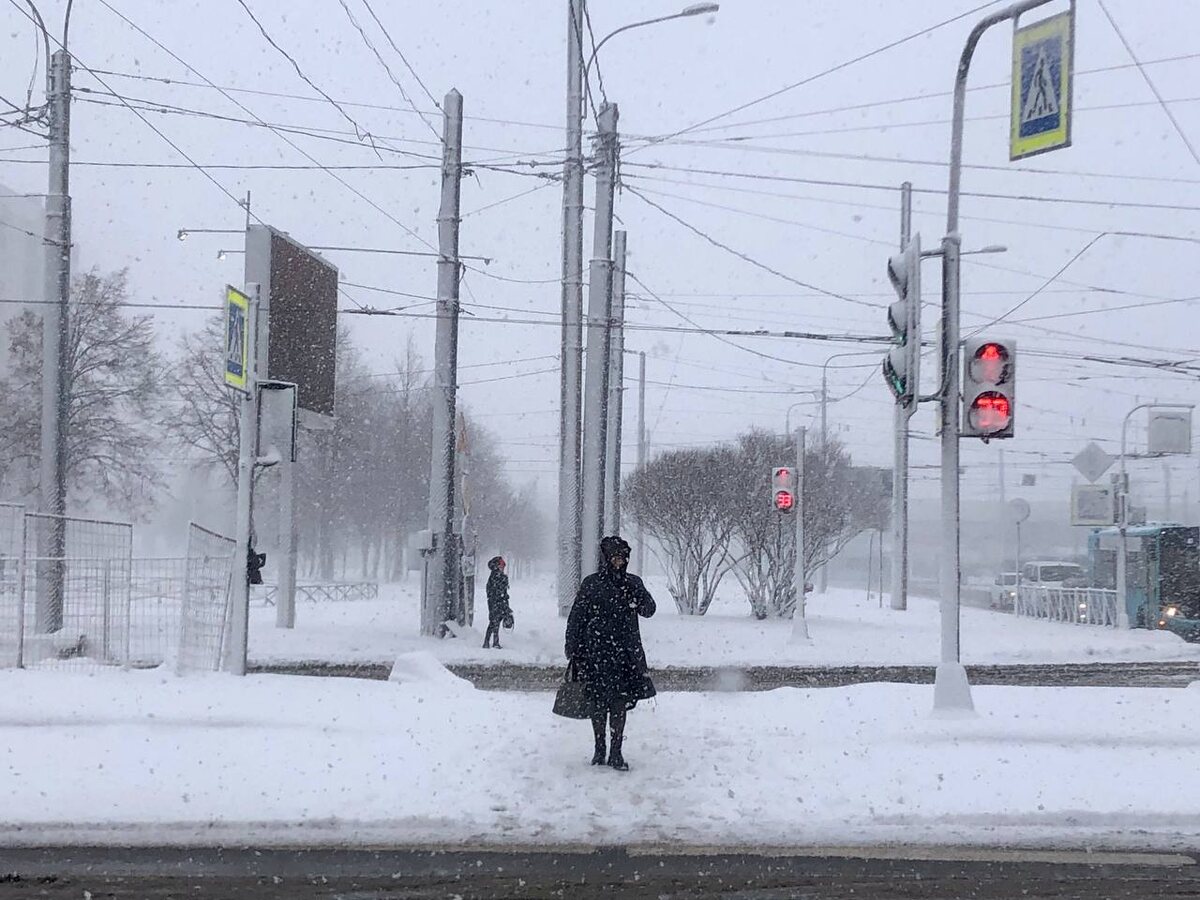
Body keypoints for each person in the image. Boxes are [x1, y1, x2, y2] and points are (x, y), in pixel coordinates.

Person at [564, 535, 656, 771]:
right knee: (597, 703)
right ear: (606, 558)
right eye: (615, 557)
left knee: (619, 703)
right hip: (595, 653)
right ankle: (599, 749)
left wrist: (635, 597)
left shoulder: (633, 582)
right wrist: (572, 646)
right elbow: (578, 616)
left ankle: (616, 751)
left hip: (624, 654)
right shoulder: (592, 583)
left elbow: (649, 609)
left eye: (623, 557)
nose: (619, 562)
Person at [483, 556, 512, 649]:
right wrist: (499, 599)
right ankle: (490, 642)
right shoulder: (495, 577)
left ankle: (492, 642)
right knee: (493, 622)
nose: (502, 568)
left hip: (500, 602)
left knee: (496, 622)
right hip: (495, 603)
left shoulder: (500, 577)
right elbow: (494, 591)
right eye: (501, 566)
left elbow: (503, 592)